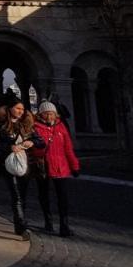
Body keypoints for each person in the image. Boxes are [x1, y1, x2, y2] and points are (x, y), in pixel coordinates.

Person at [0, 100, 45, 237]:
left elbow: (40, 141)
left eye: (22, 109)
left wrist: (31, 142)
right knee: (16, 196)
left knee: (22, 195)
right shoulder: (0, 123)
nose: (20, 111)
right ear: (10, 109)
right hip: (7, 163)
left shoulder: (26, 124)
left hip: (25, 164)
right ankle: (21, 227)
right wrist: (9, 147)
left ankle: (20, 223)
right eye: (17, 108)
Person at [32, 100, 80, 236]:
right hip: (43, 167)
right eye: (46, 114)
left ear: (56, 114)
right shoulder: (35, 127)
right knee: (44, 195)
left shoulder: (61, 127)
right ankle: (48, 221)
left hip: (60, 166)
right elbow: (33, 149)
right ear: (41, 114)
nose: (49, 116)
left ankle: (64, 225)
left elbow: (68, 148)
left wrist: (74, 165)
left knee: (62, 197)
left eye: (52, 114)